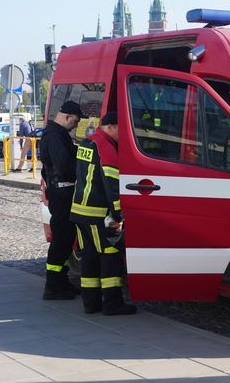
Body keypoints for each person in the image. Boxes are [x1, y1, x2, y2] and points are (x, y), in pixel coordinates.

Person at [70, 111, 137, 315]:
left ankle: (90, 304)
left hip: (79, 211)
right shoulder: (106, 147)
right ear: (110, 127)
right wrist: (117, 215)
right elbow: (111, 184)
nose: (122, 134)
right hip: (97, 213)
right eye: (120, 129)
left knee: (89, 257)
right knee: (110, 255)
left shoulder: (87, 142)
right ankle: (112, 304)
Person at [39, 100, 87, 300]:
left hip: (62, 193)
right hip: (62, 194)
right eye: (75, 122)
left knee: (66, 240)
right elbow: (64, 166)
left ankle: (61, 281)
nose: (75, 126)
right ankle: (52, 285)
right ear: (67, 117)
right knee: (60, 240)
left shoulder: (57, 134)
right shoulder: (55, 136)